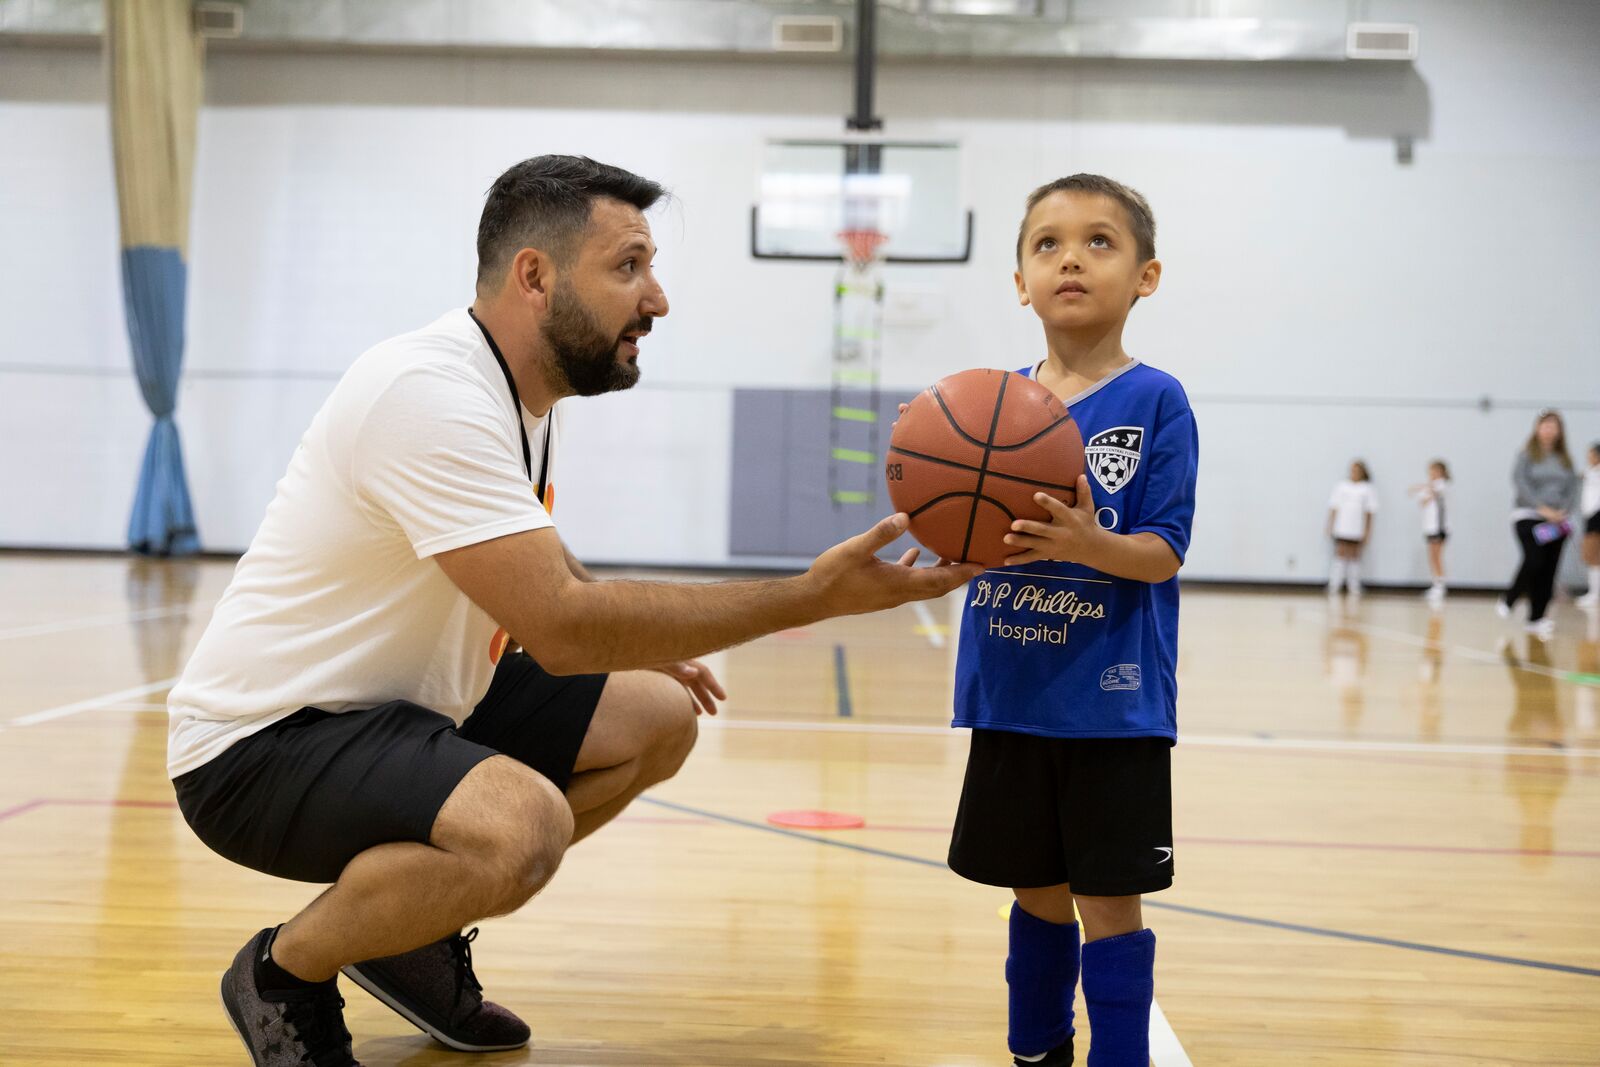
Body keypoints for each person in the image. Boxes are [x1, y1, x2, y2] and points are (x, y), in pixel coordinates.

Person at [166, 155, 981, 1067]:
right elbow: (558, 624)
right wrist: (812, 597)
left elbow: (536, 559)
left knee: (659, 718)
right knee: (523, 827)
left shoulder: (521, 394)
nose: (658, 298)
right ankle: (287, 968)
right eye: (628, 266)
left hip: (402, 706)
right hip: (263, 744)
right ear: (535, 276)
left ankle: (402, 932)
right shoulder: (427, 393)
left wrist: (636, 632)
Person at [944, 174, 1198, 1067]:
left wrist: (1091, 543)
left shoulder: (1156, 399)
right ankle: (1035, 1052)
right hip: (1012, 693)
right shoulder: (984, 411)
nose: (1071, 260)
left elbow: (1164, 549)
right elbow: (964, 536)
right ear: (1020, 280)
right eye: (1047, 244)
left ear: (1146, 276)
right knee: (1036, 896)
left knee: (1109, 903)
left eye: (1099, 242)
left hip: (1112, 705)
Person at [1499, 410, 1579, 639]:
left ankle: (1537, 618)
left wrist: (1562, 511)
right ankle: (1511, 597)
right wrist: (1541, 508)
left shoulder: (1565, 458)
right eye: (1545, 425)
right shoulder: (1526, 455)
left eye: (1554, 426)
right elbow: (1520, 482)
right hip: (1529, 515)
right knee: (1534, 560)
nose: (1549, 429)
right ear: (1537, 427)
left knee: (1548, 568)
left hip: (1558, 521)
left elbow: (1573, 487)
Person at [1327, 461, 1378, 599]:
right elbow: (1334, 507)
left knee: (1355, 556)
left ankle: (1353, 585)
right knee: (1340, 554)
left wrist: (1367, 531)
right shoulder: (1342, 486)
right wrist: (1330, 526)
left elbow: (1370, 512)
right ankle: (1334, 584)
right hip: (1342, 526)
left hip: (1357, 527)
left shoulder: (1367, 489)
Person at [1410, 459, 1451, 607]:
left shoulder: (1442, 485)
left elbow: (1434, 491)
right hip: (1429, 527)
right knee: (1432, 556)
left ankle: (1441, 586)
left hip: (1439, 527)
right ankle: (1435, 584)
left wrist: (1418, 487)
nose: (1432, 474)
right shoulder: (1430, 487)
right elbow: (1423, 502)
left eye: (1434, 470)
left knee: (1437, 556)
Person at [1578, 442, 1600, 609]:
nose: (1588, 457)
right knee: (1592, 557)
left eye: (1591, 454)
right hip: (1590, 518)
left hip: (1596, 518)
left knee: (1593, 557)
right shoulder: (1590, 472)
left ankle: (1594, 594)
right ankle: (1594, 593)